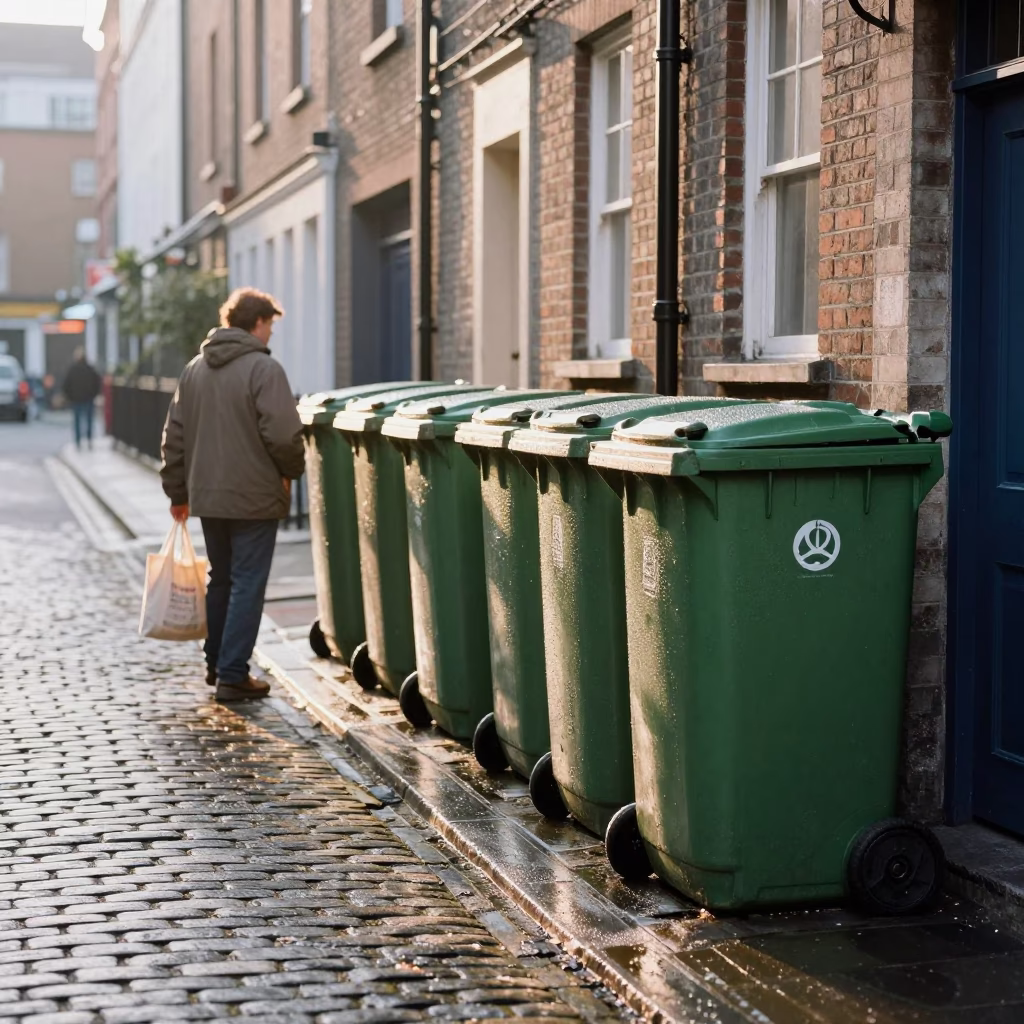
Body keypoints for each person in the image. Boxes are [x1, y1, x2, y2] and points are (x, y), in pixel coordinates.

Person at [160, 287, 305, 702]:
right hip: (255, 496)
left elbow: (175, 437)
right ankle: (233, 672)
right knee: (247, 582)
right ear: (257, 323)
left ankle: (216, 661)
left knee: (221, 578)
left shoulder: (194, 370)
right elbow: (283, 434)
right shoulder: (264, 370)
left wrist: (177, 491)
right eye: (270, 326)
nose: (271, 335)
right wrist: (290, 472)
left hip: (208, 496)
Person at [62, 348, 102, 448]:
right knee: (89, 421)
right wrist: (93, 395)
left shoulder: (73, 370)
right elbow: (98, 384)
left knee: (77, 422)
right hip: (88, 399)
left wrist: (70, 397)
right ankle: (89, 440)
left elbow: (66, 385)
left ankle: (78, 441)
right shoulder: (90, 369)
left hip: (77, 400)